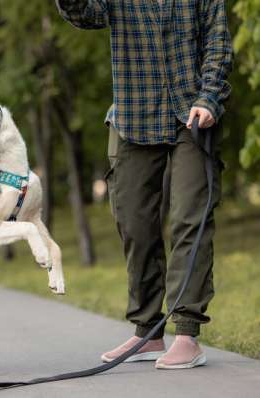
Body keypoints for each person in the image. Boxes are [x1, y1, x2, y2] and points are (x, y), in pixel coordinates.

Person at [55, 0, 232, 369]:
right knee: (133, 222)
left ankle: (186, 332)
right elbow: (84, 14)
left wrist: (209, 97)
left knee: (189, 219)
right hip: (134, 116)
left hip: (193, 115)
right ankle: (148, 331)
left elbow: (217, 42)